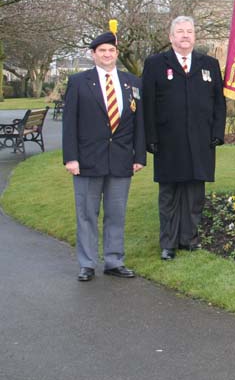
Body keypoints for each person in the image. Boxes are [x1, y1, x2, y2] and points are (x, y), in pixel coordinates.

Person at [62, 23, 145, 281]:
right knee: (87, 214)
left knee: (116, 214)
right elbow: (70, 123)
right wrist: (71, 158)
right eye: (102, 50)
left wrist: (139, 155)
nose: (107, 54)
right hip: (87, 160)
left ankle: (113, 260)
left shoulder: (132, 82)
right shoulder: (78, 82)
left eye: (111, 50)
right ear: (93, 54)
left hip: (121, 159)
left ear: (116, 53)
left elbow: (139, 121)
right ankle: (87, 263)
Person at [142, 16, 226, 260]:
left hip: (201, 140)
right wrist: (150, 137)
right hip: (169, 141)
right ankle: (168, 243)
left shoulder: (209, 64)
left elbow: (218, 103)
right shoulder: (156, 63)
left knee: (194, 194)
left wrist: (217, 134)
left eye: (189, 31)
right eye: (180, 32)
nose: (185, 35)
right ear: (171, 37)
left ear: (195, 36)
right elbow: (148, 103)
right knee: (169, 194)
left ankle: (188, 239)